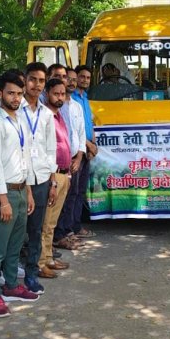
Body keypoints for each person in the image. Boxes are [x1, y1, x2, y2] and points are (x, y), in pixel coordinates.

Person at [0, 72, 40, 317]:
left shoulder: (19, 121)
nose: (15, 98)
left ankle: (12, 284)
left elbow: (24, 159)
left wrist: (29, 192)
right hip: (3, 193)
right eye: (10, 93)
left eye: (18, 93)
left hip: (20, 189)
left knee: (15, 244)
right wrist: (3, 201)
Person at [20, 65, 57, 291]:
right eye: (32, 79)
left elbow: (50, 149)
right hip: (19, 180)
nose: (36, 84)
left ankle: (31, 273)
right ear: (25, 81)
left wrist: (52, 182)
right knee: (16, 232)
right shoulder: (14, 109)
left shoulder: (45, 114)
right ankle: (10, 273)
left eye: (41, 81)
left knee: (36, 230)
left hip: (42, 178)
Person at [39, 76, 74, 277]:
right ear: (47, 93)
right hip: (52, 176)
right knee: (46, 222)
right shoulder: (45, 116)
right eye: (56, 93)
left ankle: (49, 257)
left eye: (62, 94)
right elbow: (46, 151)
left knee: (52, 222)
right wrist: (53, 180)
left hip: (63, 174)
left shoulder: (60, 115)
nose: (60, 97)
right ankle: (41, 262)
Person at [55, 65, 88, 250]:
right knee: (63, 198)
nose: (72, 82)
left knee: (74, 195)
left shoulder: (76, 105)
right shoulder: (55, 105)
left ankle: (68, 232)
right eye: (70, 79)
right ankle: (60, 234)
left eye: (75, 80)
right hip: (61, 160)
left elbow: (81, 133)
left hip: (76, 158)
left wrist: (79, 157)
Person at [71, 65, 98, 239]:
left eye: (88, 78)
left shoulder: (85, 98)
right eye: (82, 77)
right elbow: (74, 130)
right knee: (72, 193)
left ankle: (76, 226)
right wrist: (88, 146)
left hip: (87, 149)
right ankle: (69, 229)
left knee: (80, 191)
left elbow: (89, 124)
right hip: (77, 151)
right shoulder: (71, 99)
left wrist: (93, 145)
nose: (85, 80)